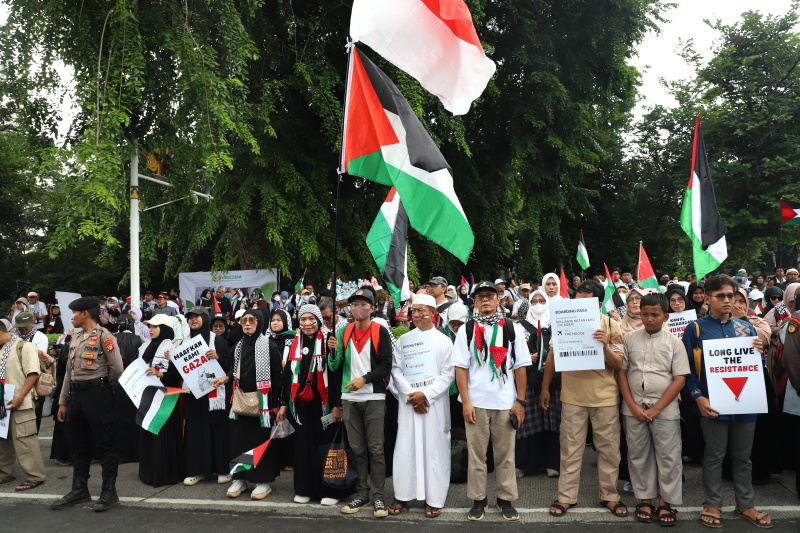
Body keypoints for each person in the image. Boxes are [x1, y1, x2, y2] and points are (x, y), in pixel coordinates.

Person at [681, 274, 772, 528]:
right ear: (707, 299)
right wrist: (697, 397)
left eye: (731, 295)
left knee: (744, 457)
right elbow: (686, 368)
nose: (727, 300)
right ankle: (712, 503)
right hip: (713, 405)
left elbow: (755, 367)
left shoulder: (747, 327)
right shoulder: (696, 328)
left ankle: (746, 505)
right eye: (720, 296)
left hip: (745, 403)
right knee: (714, 455)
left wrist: (759, 352)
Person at [540, 280, 627, 519]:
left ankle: (609, 496)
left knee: (609, 451)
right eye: (576, 302)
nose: (579, 307)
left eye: (585, 303)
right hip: (572, 397)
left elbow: (619, 365)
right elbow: (552, 356)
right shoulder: (563, 321)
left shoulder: (611, 325)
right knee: (570, 450)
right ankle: (566, 497)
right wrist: (545, 388)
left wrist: (605, 346)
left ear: (598, 304)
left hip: (606, 398)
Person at [453, 281, 531, 521]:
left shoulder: (512, 329)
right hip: (476, 402)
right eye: (480, 297)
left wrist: (520, 401)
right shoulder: (466, 330)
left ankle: (505, 499)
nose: (485, 300)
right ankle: (478, 499)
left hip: (505, 402)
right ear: (474, 302)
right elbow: (461, 369)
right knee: (477, 456)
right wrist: (465, 402)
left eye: (490, 295)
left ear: (499, 299)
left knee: (506, 455)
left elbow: (520, 367)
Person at [618, 293, 689, 525]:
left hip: (665, 410)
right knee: (639, 455)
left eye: (655, 315)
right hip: (634, 409)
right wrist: (631, 405)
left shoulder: (674, 343)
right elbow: (622, 372)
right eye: (645, 314)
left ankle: (666, 502)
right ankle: (645, 500)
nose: (649, 319)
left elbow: (679, 379)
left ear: (665, 316)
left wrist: (656, 409)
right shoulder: (629, 339)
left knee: (668, 455)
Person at [51, 297, 123, 512]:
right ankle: (79, 489)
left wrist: (104, 388)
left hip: (97, 394)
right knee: (78, 444)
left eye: (74, 313)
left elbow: (117, 369)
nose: (71, 316)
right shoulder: (75, 338)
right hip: (76, 396)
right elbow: (68, 375)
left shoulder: (105, 336)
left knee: (105, 444)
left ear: (85, 314)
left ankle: (109, 492)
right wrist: (62, 402)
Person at [387, 294, 455, 518]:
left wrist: (425, 395)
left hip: (432, 405)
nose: (416, 315)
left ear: (433, 313)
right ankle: (403, 495)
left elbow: (448, 375)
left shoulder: (444, 341)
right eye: (413, 311)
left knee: (434, 449)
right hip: (409, 405)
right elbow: (396, 370)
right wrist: (411, 396)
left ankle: (434, 498)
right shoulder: (404, 340)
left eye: (421, 310)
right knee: (406, 448)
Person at [328, 288, 394, 518]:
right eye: (355, 304)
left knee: (375, 449)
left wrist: (364, 379)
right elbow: (335, 368)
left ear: (372, 308)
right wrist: (333, 352)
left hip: (374, 397)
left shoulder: (380, 331)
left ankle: (378, 497)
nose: (358, 308)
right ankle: (362, 493)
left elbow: (387, 365)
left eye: (364, 304)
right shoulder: (344, 331)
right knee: (357, 449)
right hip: (349, 399)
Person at [276, 305, 345, 505]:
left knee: (326, 447)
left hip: (324, 405)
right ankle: (305, 488)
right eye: (303, 319)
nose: (307, 323)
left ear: (319, 320)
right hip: (301, 407)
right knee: (303, 447)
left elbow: (335, 374)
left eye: (311, 319)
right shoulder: (293, 345)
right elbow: (287, 377)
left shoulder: (328, 341)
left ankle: (331, 490)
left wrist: (337, 404)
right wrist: (283, 404)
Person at [212, 309, 282, 500]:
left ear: (259, 323)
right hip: (241, 402)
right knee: (238, 442)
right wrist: (224, 379)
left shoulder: (269, 346)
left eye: (252, 320)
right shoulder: (238, 346)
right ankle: (240, 477)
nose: (247, 323)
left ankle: (262, 481)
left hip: (263, 404)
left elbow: (278, 377)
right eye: (244, 320)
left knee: (259, 441)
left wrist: (276, 403)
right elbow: (234, 373)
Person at [182, 307, 233, 486]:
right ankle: (197, 470)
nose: (193, 320)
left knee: (216, 432)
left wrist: (217, 357)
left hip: (213, 395)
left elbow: (230, 367)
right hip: (193, 395)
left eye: (197, 316)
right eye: (190, 317)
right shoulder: (184, 343)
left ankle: (222, 470)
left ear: (204, 318)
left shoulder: (216, 340)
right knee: (195, 432)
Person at [136, 314, 184, 487]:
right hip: (147, 396)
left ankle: (165, 473)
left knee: (163, 435)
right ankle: (148, 472)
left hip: (165, 398)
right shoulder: (144, 347)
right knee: (148, 431)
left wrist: (160, 374)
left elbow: (177, 375)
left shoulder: (172, 347)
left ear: (165, 328)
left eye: (155, 326)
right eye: (149, 327)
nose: (151, 329)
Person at [516, 289, 559, 478]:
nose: (539, 304)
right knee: (528, 421)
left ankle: (552, 463)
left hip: (554, 381)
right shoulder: (519, 326)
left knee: (552, 420)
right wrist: (529, 357)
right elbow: (513, 351)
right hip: (529, 380)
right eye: (534, 301)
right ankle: (525, 464)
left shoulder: (557, 323)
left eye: (542, 300)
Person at [0, 318, 46, 492]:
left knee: (25, 441)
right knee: (2, 441)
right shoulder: (2, 349)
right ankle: (5, 473)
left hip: (21, 401)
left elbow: (33, 374)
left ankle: (35, 476)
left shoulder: (24, 347)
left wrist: (20, 397)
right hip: (3, 402)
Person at [113, 316, 142, 464]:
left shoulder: (112, 339)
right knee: (134, 418)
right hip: (134, 383)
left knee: (118, 419)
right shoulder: (139, 340)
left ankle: (120, 454)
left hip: (117, 383)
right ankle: (136, 452)